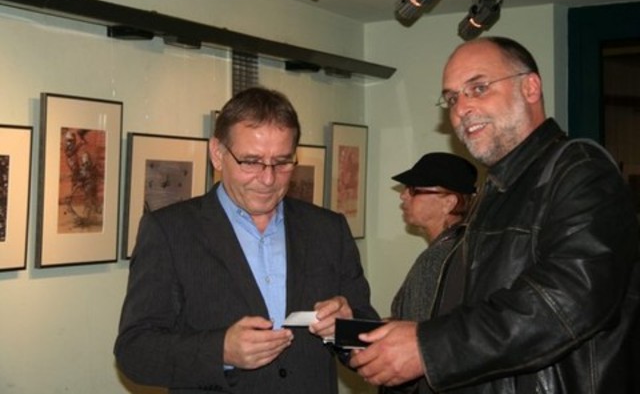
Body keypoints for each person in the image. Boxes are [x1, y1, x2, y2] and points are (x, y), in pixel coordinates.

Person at [350, 36, 640, 393]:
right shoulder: (497, 189)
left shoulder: (581, 170)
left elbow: (568, 299)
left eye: (479, 88)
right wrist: (371, 335)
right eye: (452, 98)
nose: (461, 108)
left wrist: (429, 349)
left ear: (530, 88)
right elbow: (479, 319)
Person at [114, 86, 378, 394]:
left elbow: (368, 337)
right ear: (217, 154)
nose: (268, 179)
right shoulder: (169, 231)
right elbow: (135, 351)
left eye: (282, 162)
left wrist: (346, 327)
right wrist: (221, 351)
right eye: (251, 161)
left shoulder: (328, 229)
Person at [383, 152, 477, 394]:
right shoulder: (468, 247)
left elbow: (418, 335)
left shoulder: (437, 258)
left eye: (414, 190)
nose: (403, 195)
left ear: (449, 202)